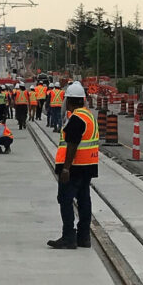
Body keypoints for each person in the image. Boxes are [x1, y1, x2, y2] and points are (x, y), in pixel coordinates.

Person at [48, 81, 99, 249]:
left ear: (69, 100)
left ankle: (69, 237)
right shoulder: (89, 115)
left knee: (65, 199)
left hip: (74, 168)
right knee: (84, 200)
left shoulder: (76, 118)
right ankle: (83, 237)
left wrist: (66, 168)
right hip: (88, 166)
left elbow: (72, 145)